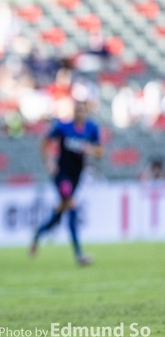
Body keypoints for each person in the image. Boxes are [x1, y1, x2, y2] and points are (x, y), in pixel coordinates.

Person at [30, 100, 103, 265]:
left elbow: (100, 152)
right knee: (72, 206)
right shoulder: (63, 127)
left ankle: (38, 233)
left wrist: (90, 149)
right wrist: (48, 162)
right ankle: (79, 254)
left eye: (82, 111)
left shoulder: (91, 129)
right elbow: (45, 141)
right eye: (77, 111)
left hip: (77, 175)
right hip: (62, 174)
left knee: (60, 213)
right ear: (73, 112)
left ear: (85, 113)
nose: (79, 114)